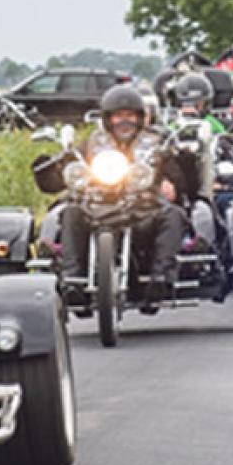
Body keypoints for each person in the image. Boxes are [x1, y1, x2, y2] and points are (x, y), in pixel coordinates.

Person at [58, 85, 187, 307]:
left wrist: (169, 180)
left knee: (173, 215)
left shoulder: (156, 143)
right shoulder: (92, 143)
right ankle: (72, 281)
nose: (124, 121)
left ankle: (161, 279)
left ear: (140, 118)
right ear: (108, 119)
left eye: (130, 115)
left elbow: (180, 179)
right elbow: (73, 164)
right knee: (70, 213)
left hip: (142, 212)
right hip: (97, 208)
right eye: (118, 116)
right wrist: (62, 162)